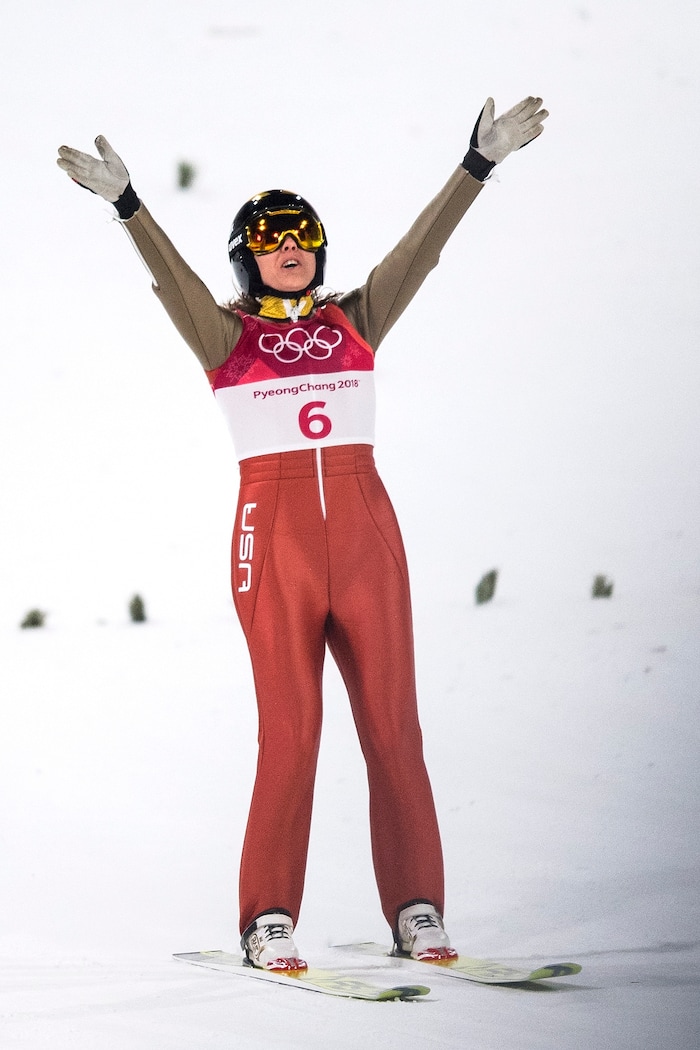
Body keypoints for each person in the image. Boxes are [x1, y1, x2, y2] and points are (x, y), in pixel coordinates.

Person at [57, 95, 548, 972]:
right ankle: (268, 918)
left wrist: (476, 166)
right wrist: (131, 206)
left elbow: (421, 252)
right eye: (274, 237)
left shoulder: (354, 323)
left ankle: (418, 908)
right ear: (249, 259)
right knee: (292, 733)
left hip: (366, 539)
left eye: (305, 234)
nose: (293, 247)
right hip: (273, 541)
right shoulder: (226, 339)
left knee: (395, 727)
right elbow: (174, 284)